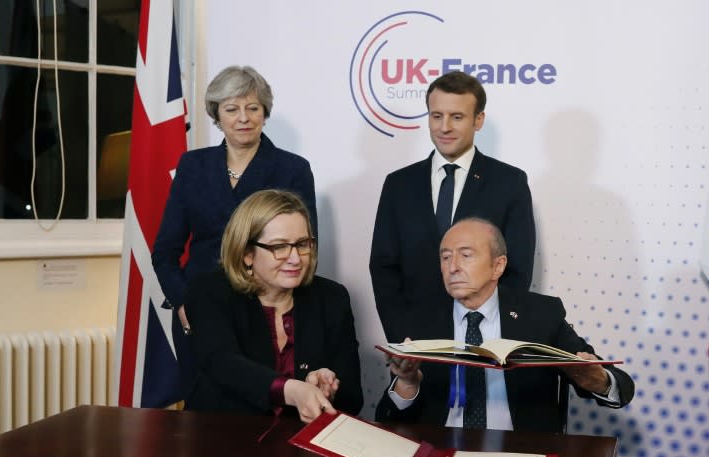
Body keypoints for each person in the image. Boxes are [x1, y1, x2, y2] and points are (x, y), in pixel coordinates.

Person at [152, 65, 317, 403]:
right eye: (232, 109)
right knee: (201, 417)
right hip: (198, 312)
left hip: (264, 314)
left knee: (256, 411)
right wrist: (184, 302)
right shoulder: (192, 166)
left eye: (252, 108)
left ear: (264, 113)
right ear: (217, 114)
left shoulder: (293, 169)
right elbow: (165, 252)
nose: (243, 118)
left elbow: (304, 249)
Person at [375, 218, 634, 433]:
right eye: (445, 257)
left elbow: (620, 386)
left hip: (521, 453)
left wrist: (598, 380)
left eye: (465, 255)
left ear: (498, 266)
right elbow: (387, 421)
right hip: (439, 452)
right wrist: (407, 384)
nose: (453, 267)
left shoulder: (540, 315)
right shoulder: (420, 318)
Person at [370, 71, 536, 344]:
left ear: (478, 120)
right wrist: (402, 337)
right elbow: (383, 267)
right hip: (416, 342)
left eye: (456, 117)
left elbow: (517, 269)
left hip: (483, 340)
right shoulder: (398, 184)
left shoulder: (509, 182)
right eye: (436, 116)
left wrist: (493, 335)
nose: (444, 127)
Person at [183, 190, 362, 422]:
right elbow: (222, 363)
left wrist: (328, 388)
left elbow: (354, 399)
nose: (296, 258)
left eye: (302, 244)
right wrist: (292, 390)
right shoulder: (208, 291)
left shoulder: (332, 297)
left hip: (300, 447)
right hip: (221, 438)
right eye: (279, 247)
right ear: (247, 253)